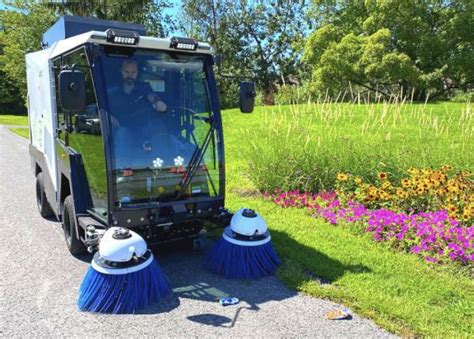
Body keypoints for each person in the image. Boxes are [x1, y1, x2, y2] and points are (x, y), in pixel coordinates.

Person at [108, 59, 167, 127]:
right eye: (126, 72)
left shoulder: (144, 88)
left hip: (142, 130)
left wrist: (157, 102)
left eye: (133, 72)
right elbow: (101, 106)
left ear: (138, 72)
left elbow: (151, 96)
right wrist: (107, 116)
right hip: (120, 130)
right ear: (121, 71)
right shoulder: (112, 91)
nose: (130, 75)